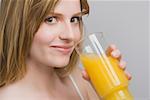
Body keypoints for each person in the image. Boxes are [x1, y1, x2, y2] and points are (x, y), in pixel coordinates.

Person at [0, 0, 132, 100]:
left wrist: (109, 91)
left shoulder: (80, 81)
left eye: (75, 19)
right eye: (51, 19)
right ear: (19, 25)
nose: (71, 35)